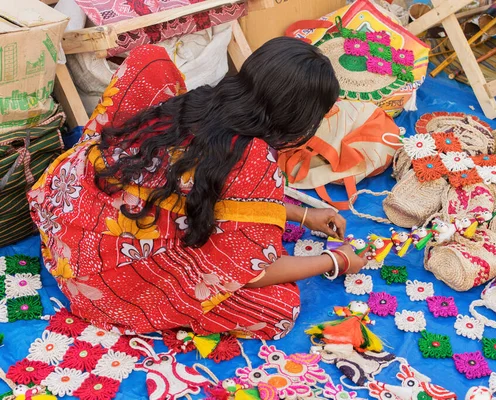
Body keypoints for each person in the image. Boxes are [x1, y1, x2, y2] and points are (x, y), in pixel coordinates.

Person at [28, 38, 367, 340]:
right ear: (298, 117)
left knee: (153, 62)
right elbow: (252, 272)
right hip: (103, 279)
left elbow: (205, 194)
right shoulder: (254, 157)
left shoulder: (200, 101)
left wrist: (303, 214)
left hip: (67, 213)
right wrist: (334, 260)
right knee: (278, 308)